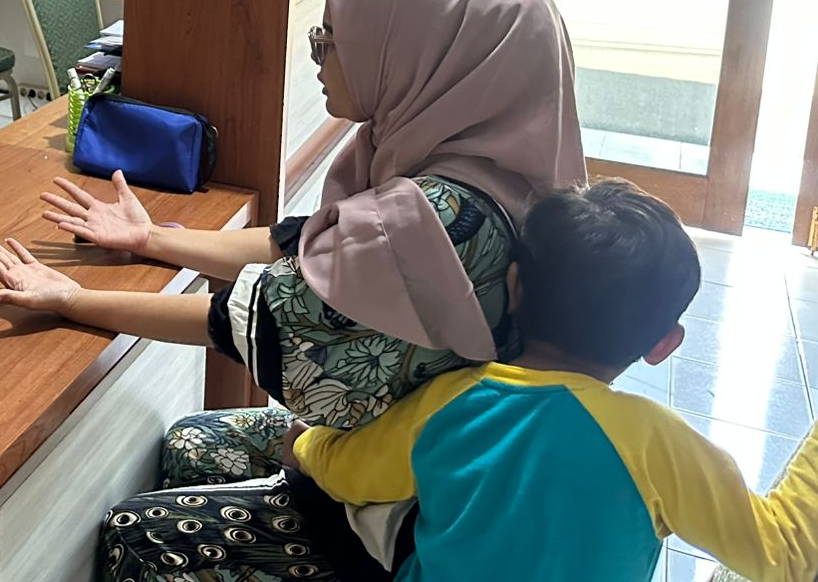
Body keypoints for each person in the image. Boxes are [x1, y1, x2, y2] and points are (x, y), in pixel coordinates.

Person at [0, 0, 585, 577]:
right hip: (418, 453)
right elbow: (305, 245)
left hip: (409, 519)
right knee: (192, 441)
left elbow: (250, 319)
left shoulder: (442, 217)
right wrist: (153, 238)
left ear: (414, 53)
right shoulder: (490, 167)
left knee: (140, 535)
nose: (318, 56)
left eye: (332, 39)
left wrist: (71, 299)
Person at [265, 180, 818, 582]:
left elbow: (351, 474)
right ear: (663, 345)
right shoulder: (657, 444)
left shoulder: (451, 400)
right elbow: (785, 555)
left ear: (514, 288)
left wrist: (306, 446)